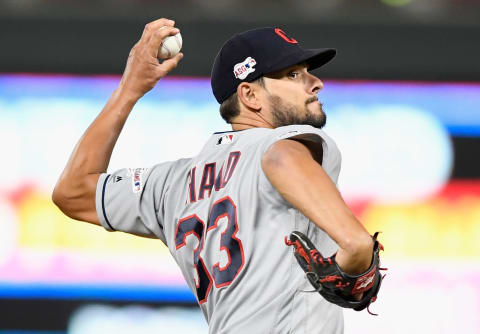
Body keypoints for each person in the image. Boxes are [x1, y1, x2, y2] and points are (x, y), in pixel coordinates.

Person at [52, 18, 374, 333]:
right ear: (250, 96)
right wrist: (354, 255)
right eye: (292, 74)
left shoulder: (172, 185)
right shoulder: (285, 144)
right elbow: (281, 159)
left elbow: (73, 190)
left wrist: (130, 88)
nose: (314, 82)